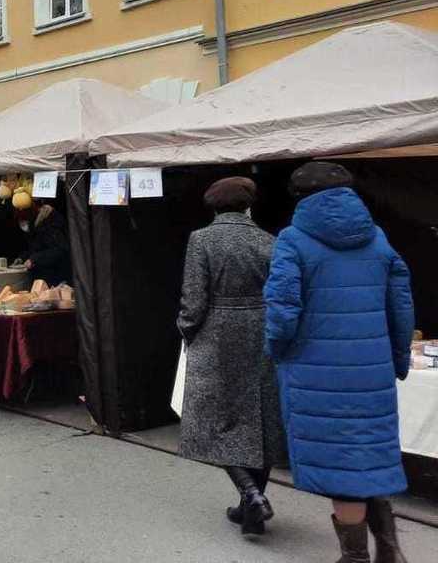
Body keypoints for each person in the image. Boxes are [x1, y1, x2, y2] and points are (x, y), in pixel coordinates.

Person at [265, 162, 414, 563]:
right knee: (368, 457)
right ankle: (390, 551)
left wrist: (277, 351)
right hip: (372, 368)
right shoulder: (378, 238)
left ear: (299, 197)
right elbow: (401, 306)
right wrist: (399, 359)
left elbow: (282, 311)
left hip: (315, 369)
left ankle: (355, 558)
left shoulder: (292, 240)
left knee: (341, 466)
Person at [177, 177, 286, 536]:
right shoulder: (269, 241)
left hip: (218, 333)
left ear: (213, 207)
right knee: (260, 421)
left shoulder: (202, 239)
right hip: (262, 332)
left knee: (213, 418)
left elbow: (194, 297)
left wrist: (187, 330)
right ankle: (251, 503)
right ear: (248, 206)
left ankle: (251, 496)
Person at [19, 202, 72, 289]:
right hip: (41, 276)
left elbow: (59, 249)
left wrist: (34, 259)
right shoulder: (34, 223)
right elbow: (35, 247)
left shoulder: (51, 222)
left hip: (54, 276)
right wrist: (22, 258)